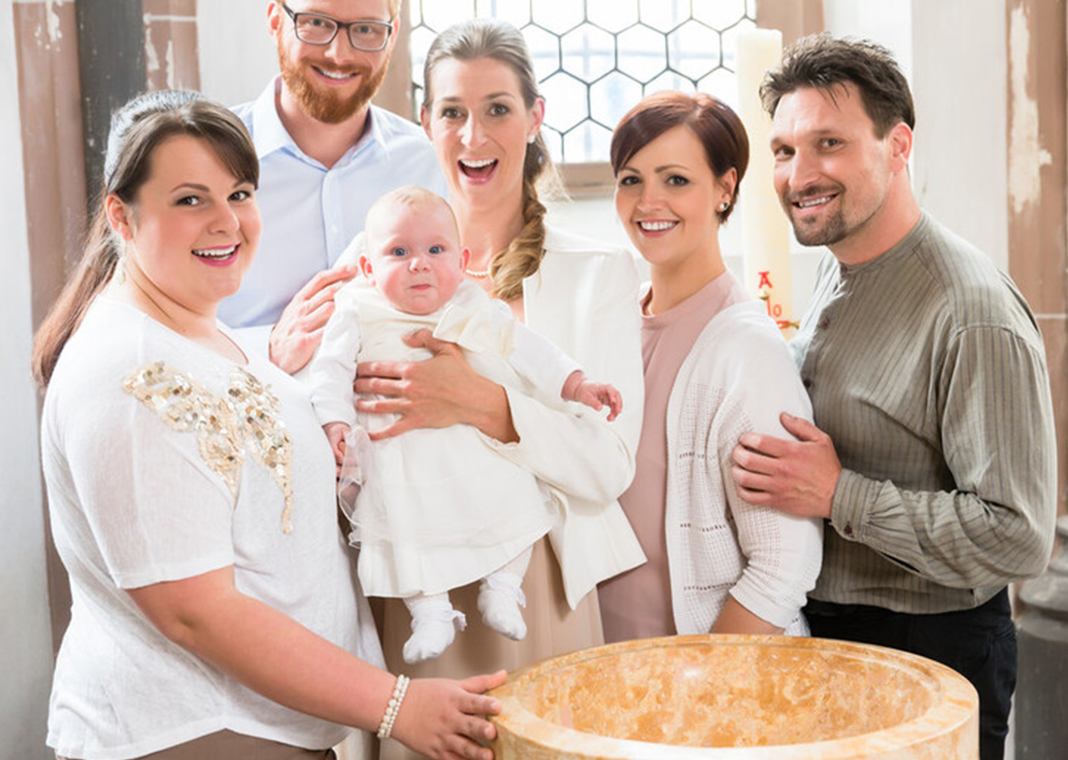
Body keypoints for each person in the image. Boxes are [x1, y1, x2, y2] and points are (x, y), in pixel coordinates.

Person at [31, 90, 505, 760]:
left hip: (265, 725)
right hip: (194, 731)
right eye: (190, 199)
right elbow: (197, 612)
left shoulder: (200, 331)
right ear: (122, 214)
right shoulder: (130, 374)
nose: (226, 222)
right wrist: (397, 705)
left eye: (240, 193)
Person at [728, 34, 1056, 760]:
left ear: (897, 145)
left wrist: (839, 493)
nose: (799, 173)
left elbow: (1018, 535)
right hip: (830, 635)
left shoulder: (972, 314)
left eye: (828, 144)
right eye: (783, 151)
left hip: (929, 651)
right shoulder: (840, 267)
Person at [355, 20, 646, 752]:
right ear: (426, 122)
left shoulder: (594, 273)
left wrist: (484, 405)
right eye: (452, 111)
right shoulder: (374, 273)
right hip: (412, 574)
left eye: (497, 108)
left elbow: (609, 466)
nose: (473, 133)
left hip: (534, 576)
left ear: (536, 116)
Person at [306, 186, 623, 665]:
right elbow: (328, 370)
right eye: (399, 252)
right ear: (369, 269)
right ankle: (429, 611)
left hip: (473, 452)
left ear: (461, 259)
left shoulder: (472, 304)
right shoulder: (358, 308)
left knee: (513, 500)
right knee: (404, 527)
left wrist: (576, 384)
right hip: (402, 460)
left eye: (436, 250)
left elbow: (527, 349)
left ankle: (503, 585)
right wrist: (333, 424)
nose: (419, 263)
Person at [596, 91, 823, 643]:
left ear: (725, 188)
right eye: (631, 179)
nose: (649, 201)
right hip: (606, 683)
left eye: (676, 180)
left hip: (707, 694)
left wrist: (695, 687)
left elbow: (782, 567)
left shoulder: (746, 351)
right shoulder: (608, 323)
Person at [221, 0, 448, 375]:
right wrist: (267, 348)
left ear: (391, 36)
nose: (339, 54)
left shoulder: (430, 164)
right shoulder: (204, 160)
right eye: (315, 23)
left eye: (366, 30)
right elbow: (155, 327)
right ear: (276, 20)